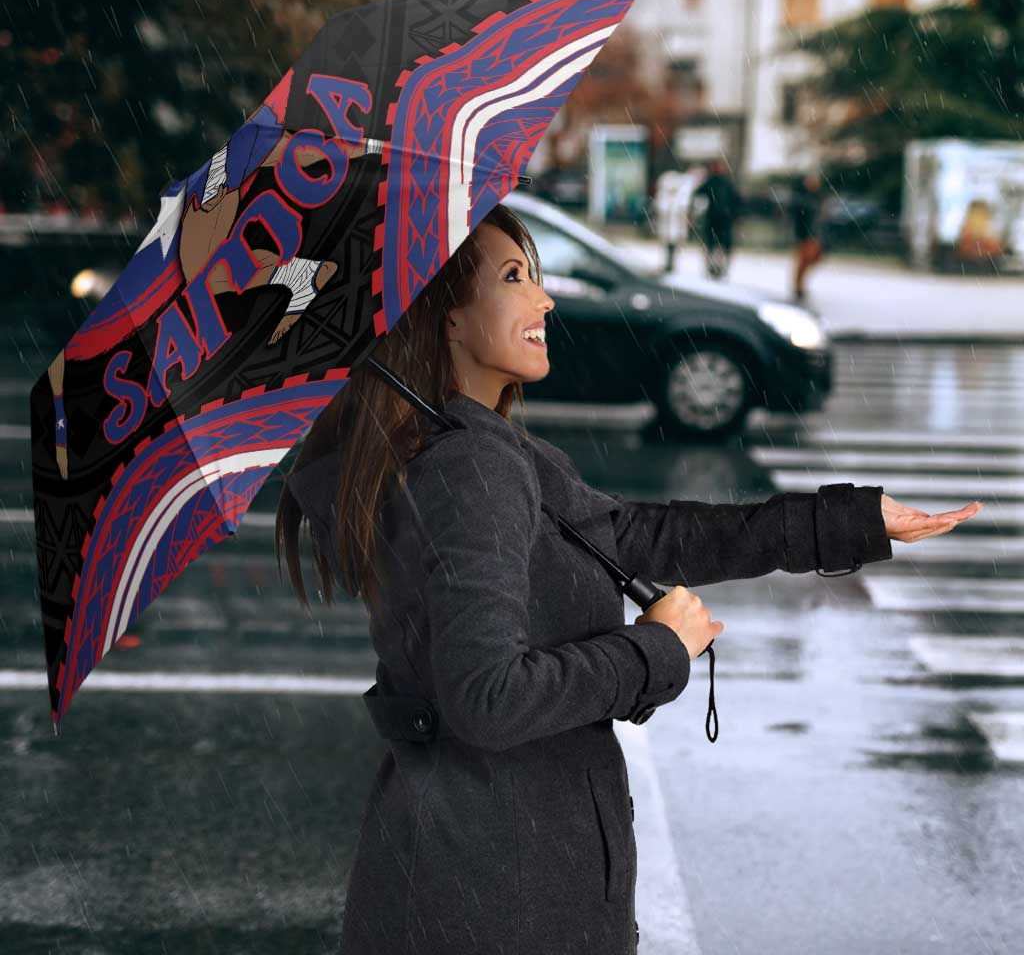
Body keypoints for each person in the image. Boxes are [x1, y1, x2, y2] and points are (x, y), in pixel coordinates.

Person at [275, 203, 982, 955]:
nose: (544, 299)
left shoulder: (478, 450)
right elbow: (487, 698)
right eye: (515, 277)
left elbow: (644, 536)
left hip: (480, 875)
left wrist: (850, 521)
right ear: (446, 318)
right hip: (496, 894)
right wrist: (655, 650)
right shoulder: (469, 467)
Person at [692, 157, 742, 280]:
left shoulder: (725, 183)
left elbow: (736, 201)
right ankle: (713, 268)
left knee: (720, 246)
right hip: (715, 219)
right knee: (713, 245)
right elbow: (698, 195)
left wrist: (735, 215)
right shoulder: (712, 182)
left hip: (723, 219)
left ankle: (719, 268)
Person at [790, 170, 826, 301]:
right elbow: (799, 217)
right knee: (804, 260)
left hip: (814, 234)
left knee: (812, 259)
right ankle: (798, 286)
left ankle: (799, 285)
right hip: (805, 234)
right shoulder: (802, 198)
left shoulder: (817, 197)